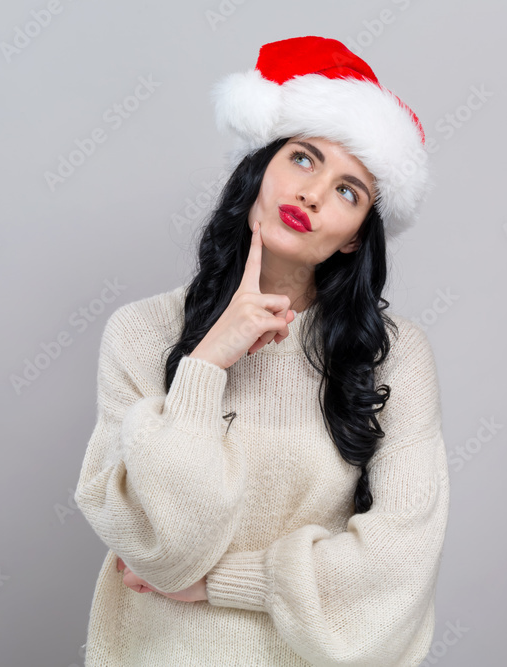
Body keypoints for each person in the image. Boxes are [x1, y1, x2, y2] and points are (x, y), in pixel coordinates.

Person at [74, 35, 449, 666]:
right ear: (260, 164)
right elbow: (163, 550)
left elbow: (401, 558)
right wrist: (206, 363)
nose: (312, 194)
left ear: (357, 238)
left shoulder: (395, 355)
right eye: (304, 159)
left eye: (348, 191)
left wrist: (222, 584)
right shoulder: (140, 333)